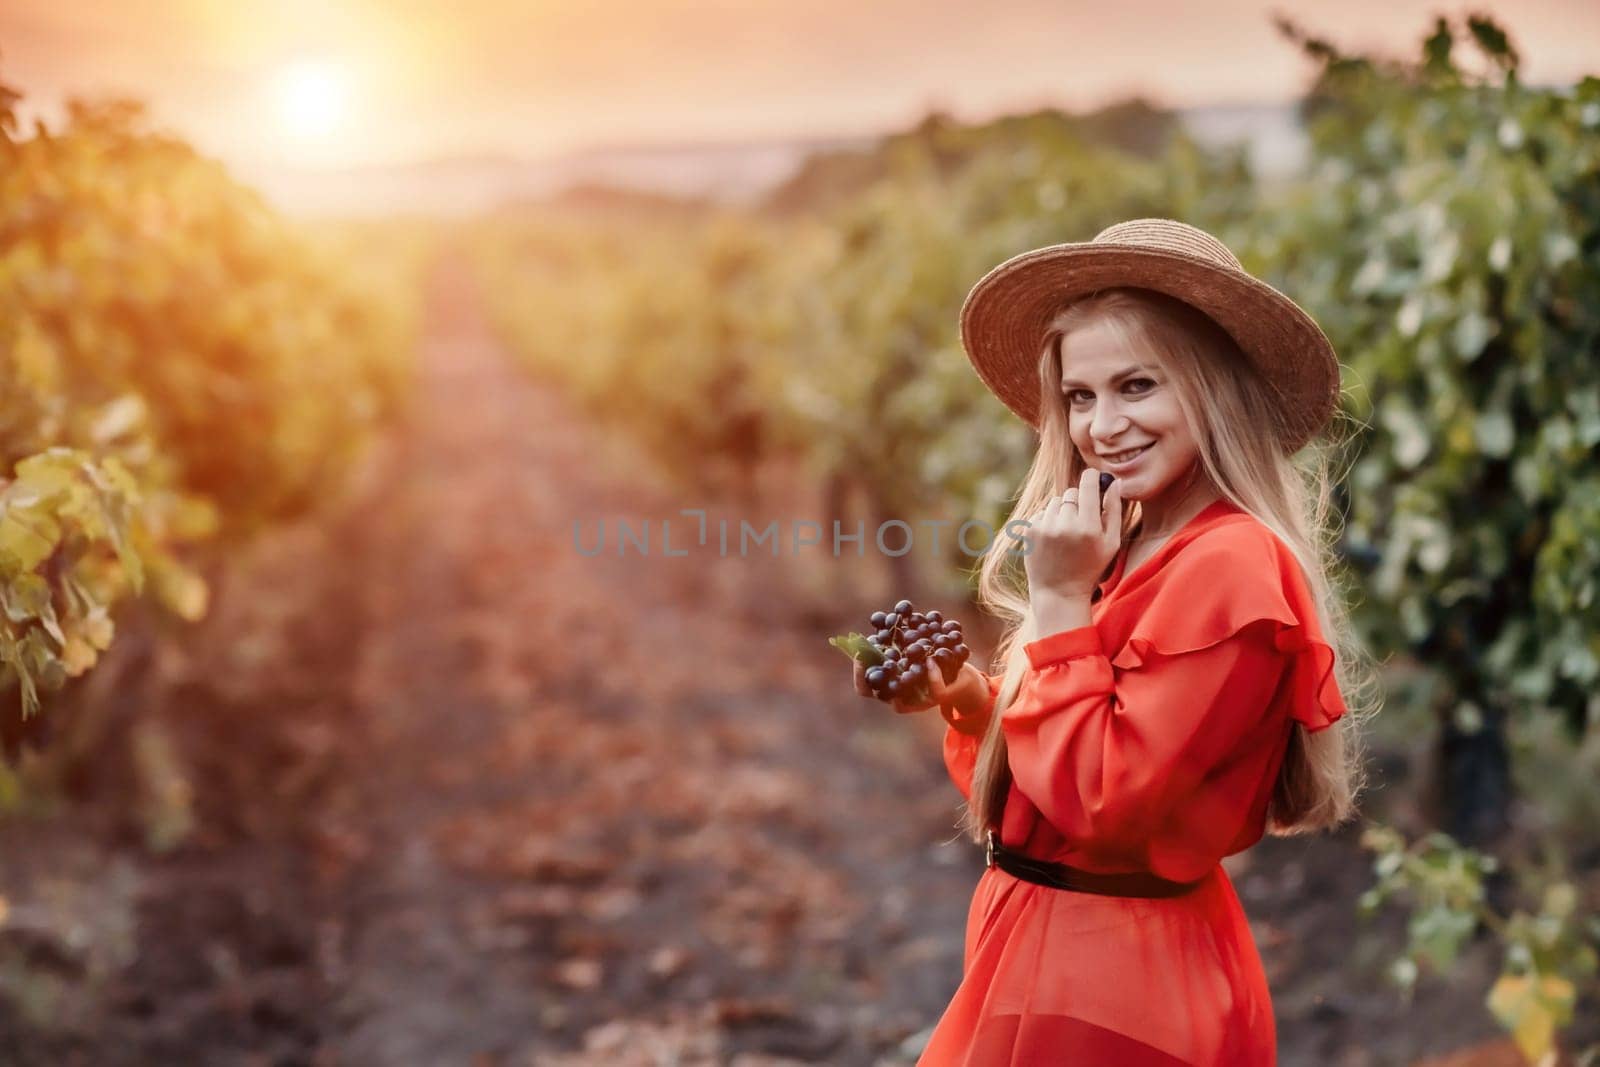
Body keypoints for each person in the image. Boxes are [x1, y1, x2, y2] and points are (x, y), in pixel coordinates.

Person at [852, 218, 1380, 1065]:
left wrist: (1058, 598)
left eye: (1138, 385)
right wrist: (971, 702)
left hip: (1116, 984)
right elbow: (1052, 771)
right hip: (1059, 953)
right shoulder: (1128, 540)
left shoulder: (1231, 564)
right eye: (1079, 396)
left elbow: (1101, 799)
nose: (1102, 425)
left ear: (1212, 391)